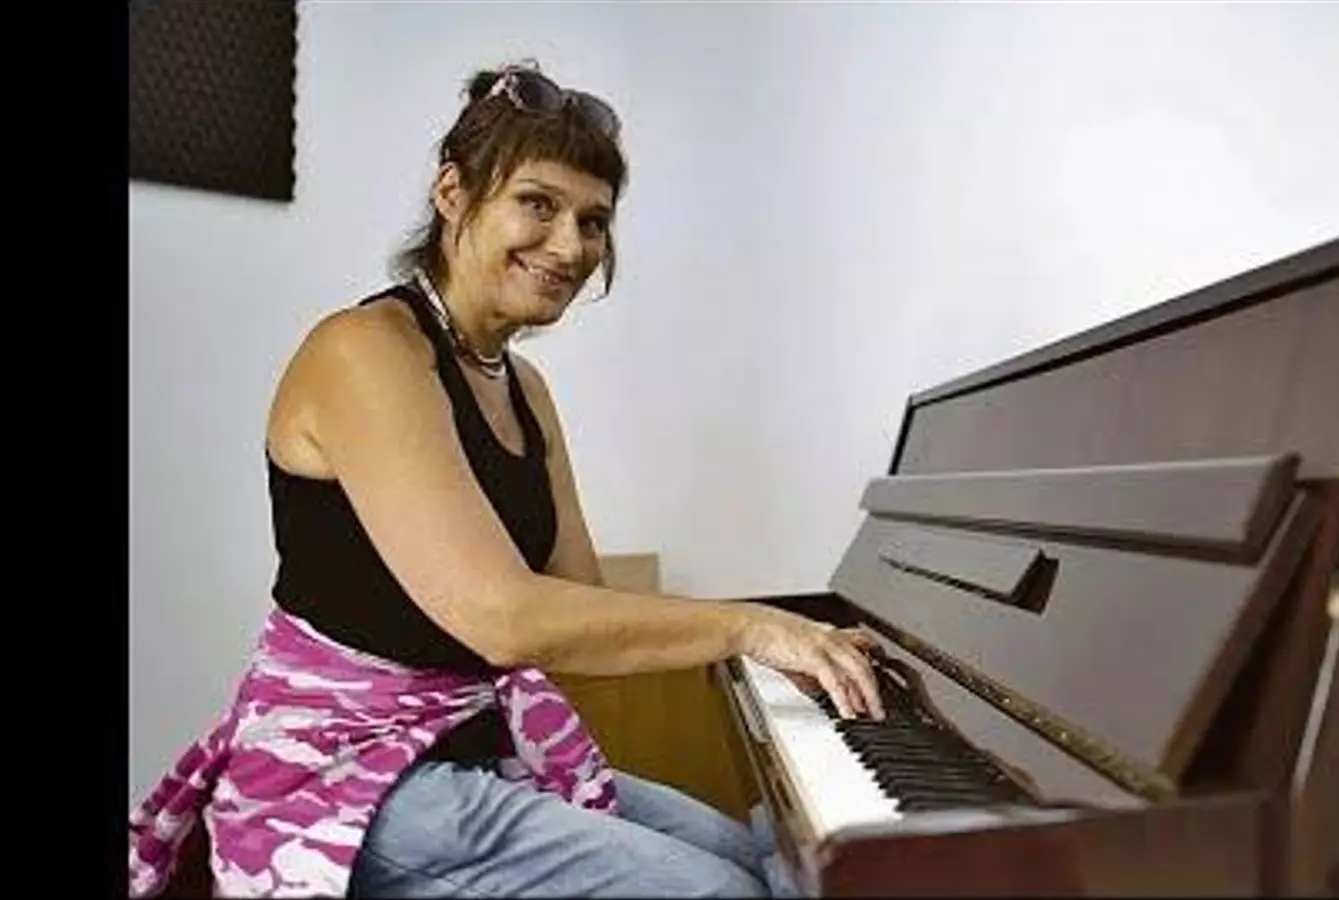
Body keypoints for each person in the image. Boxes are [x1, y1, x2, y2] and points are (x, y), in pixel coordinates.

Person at [128, 59, 884, 899]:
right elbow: (502, 617)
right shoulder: (365, 351)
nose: (570, 246)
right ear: (452, 192)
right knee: (725, 892)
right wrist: (749, 630)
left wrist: (778, 645)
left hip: (471, 743)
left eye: (593, 221)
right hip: (350, 774)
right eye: (538, 204)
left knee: (762, 854)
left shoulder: (524, 387)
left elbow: (581, 603)